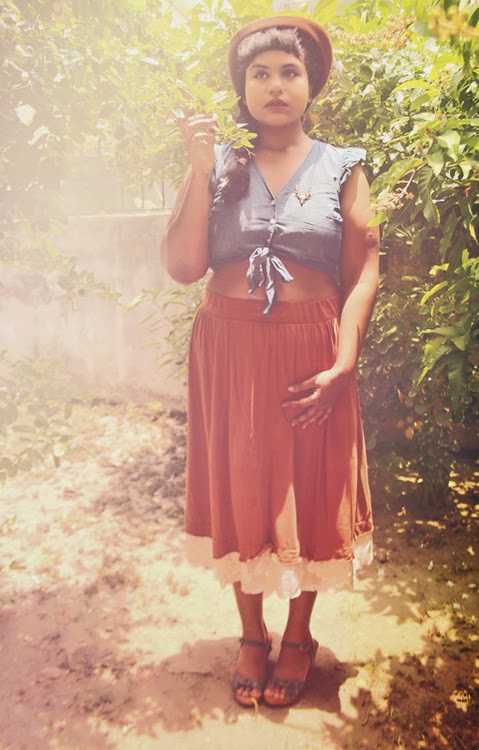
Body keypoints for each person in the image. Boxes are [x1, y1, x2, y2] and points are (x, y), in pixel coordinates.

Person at [162, 15, 380, 709]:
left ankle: (298, 635)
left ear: (311, 85)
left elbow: (364, 269)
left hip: (311, 350)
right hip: (229, 350)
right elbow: (183, 266)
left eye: (290, 71)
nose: (276, 85)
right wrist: (199, 173)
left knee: (309, 488)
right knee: (239, 482)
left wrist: (344, 361)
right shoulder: (220, 164)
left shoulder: (343, 166)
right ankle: (251, 634)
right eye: (260, 73)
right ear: (243, 87)